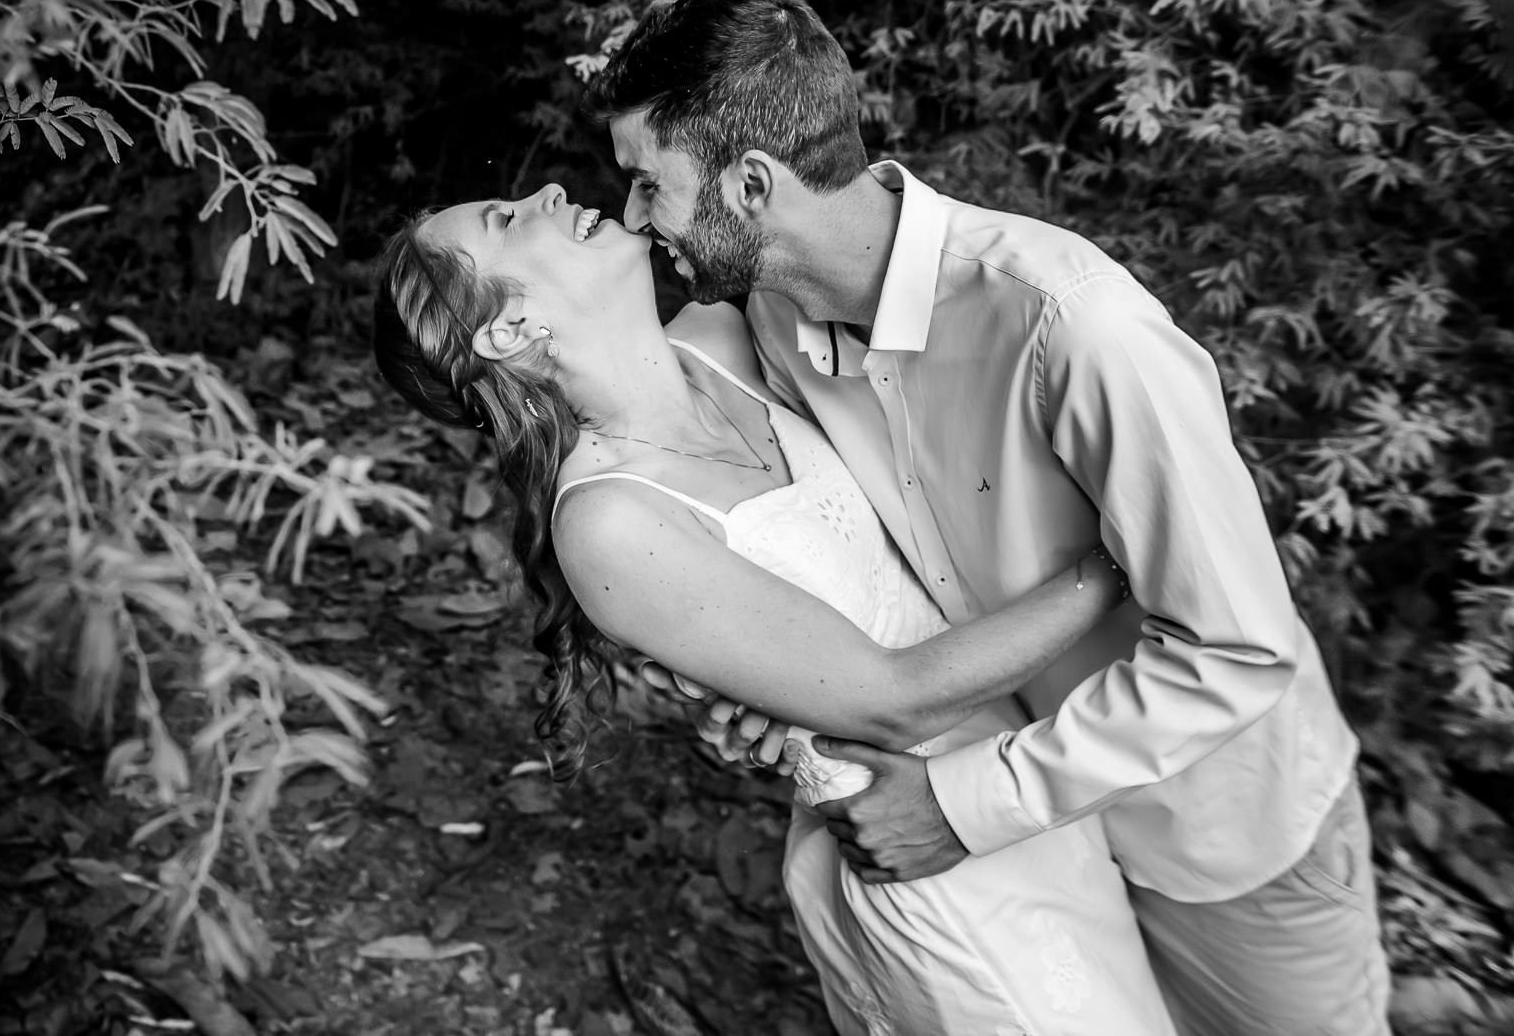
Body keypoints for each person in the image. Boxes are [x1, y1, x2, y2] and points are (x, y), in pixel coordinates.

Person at [587, 0, 1390, 1036]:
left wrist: (963, 808)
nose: (631, 216)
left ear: (748, 183)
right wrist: (789, 681)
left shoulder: (1075, 327)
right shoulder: (777, 323)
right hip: (1038, 854)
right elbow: (867, 549)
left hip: (1218, 833)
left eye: (647, 182)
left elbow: (1237, 646)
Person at [372, 186, 1181, 1034]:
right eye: (505, 220)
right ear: (507, 331)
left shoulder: (729, 336)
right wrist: (1127, 546)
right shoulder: (607, 521)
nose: (544, 192)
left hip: (1031, 776)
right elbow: (888, 695)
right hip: (931, 854)